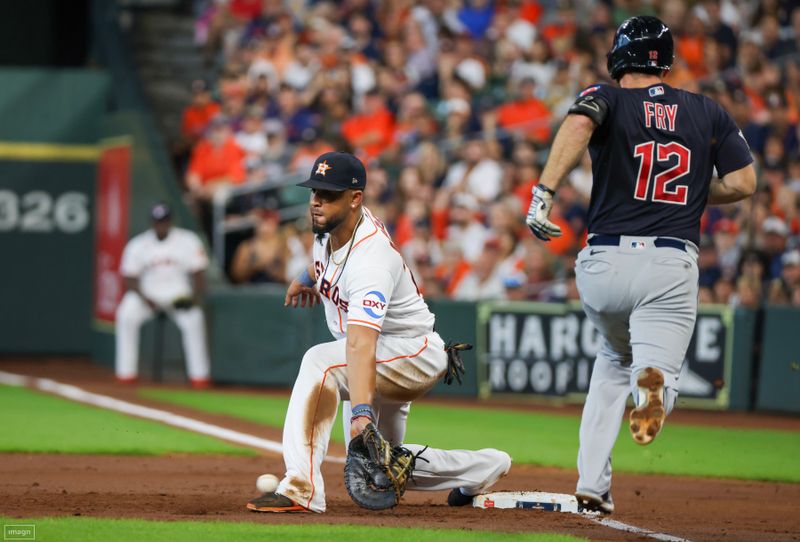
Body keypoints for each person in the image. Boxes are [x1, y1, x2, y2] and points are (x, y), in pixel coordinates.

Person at [525, 16, 756, 514]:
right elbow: (744, 183)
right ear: (665, 60)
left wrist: (543, 192)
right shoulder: (706, 109)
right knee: (657, 371)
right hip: (669, 264)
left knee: (611, 360)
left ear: (620, 55)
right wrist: (690, 195)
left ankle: (592, 482)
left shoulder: (607, 96)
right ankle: (653, 387)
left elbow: (579, 122)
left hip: (604, 262)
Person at [246, 152, 511, 513]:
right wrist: (305, 277)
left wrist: (361, 412)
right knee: (380, 465)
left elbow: (360, 342)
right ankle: (485, 466)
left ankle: (300, 487)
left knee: (318, 361)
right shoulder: (329, 229)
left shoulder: (371, 259)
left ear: (355, 198)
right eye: (314, 191)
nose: (316, 201)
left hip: (411, 353)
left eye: (328, 193)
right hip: (382, 355)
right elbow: (328, 261)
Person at [115, 203, 212, 389]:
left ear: (171, 221)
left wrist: (194, 299)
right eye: (158, 221)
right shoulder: (138, 244)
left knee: (194, 318)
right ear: (152, 223)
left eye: (165, 221)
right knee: (126, 313)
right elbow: (130, 278)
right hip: (147, 296)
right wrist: (145, 299)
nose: (161, 225)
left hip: (178, 295)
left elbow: (198, 274)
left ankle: (199, 376)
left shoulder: (188, 240)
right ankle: (125, 373)